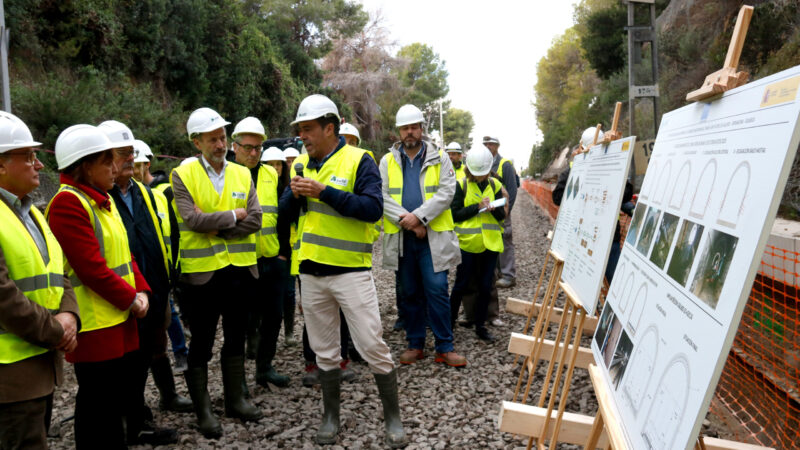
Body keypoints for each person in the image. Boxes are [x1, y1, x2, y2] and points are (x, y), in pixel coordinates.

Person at [279, 94, 406, 448]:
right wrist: (294, 193)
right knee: (324, 351)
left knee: (371, 344)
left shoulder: (359, 160)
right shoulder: (301, 165)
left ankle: (393, 418)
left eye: (308, 129)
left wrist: (324, 191)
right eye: (299, 130)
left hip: (350, 272)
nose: (302, 137)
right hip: (311, 274)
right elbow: (285, 216)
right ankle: (330, 416)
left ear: (329, 128)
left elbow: (372, 209)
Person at [46, 124, 153, 448]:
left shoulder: (100, 200)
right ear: (84, 166)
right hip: (94, 324)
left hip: (115, 318)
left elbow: (125, 254)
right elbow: (91, 269)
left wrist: (143, 290)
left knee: (112, 402)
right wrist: (132, 300)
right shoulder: (69, 203)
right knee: (98, 406)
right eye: (106, 161)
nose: (115, 167)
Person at [170, 107, 263, 438]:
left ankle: (235, 400)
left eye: (222, 137)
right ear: (197, 143)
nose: (220, 144)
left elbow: (256, 219)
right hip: (203, 274)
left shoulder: (241, 173)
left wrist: (220, 223)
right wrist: (233, 216)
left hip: (239, 271)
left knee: (236, 336)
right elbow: (191, 220)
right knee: (203, 342)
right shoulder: (182, 175)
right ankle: (204, 410)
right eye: (213, 139)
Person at [100, 121, 191, 425]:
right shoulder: (100, 197)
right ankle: (130, 418)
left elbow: (167, 235)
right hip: (119, 296)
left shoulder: (146, 194)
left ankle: (155, 404)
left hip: (154, 288)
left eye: (131, 152)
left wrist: (168, 279)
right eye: (121, 153)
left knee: (152, 349)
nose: (129, 158)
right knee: (126, 360)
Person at [0, 112, 80, 450]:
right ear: (1, 165)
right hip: (10, 377)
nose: (38, 165)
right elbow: (3, 297)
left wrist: (70, 316)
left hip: (39, 365)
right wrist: (57, 331)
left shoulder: (31, 211)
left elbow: (59, 270)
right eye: (28, 157)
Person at [380, 104, 466, 368]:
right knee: (409, 293)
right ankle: (415, 344)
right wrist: (409, 222)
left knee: (437, 290)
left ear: (421, 129)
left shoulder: (440, 158)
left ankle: (445, 347)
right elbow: (381, 196)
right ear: (399, 131)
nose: (410, 132)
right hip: (403, 238)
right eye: (405, 128)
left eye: (414, 127)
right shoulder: (387, 161)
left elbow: (446, 192)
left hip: (432, 238)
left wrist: (419, 218)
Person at [230, 118, 291, 389]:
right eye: (247, 147)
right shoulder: (227, 174)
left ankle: (264, 368)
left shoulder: (270, 173)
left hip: (271, 259)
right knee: (241, 322)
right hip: (241, 262)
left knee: (274, 317)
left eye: (258, 148)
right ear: (235, 147)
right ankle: (239, 379)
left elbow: (281, 214)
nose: (254, 153)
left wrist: (283, 253)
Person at [132, 140, 189, 373]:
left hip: (164, 271)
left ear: (146, 164)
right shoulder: (132, 197)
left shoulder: (162, 193)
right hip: (147, 274)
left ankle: (181, 353)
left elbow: (174, 233)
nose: (133, 169)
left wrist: (174, 268)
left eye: (137, 164)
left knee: (169, 316)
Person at [553, 128, 632, 283]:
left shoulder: (611, 165)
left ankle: (601, 307)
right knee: (601, 283)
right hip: (590, 236)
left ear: (581, 146)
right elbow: (558, 197)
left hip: (603, 237)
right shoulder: (576, 168)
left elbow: (627, 192)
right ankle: (598, 307)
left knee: (608, 283)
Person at [449, 146, 507, 343]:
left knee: (485, 286)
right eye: (477, 174)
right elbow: (454, 215)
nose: (480, 177)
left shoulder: (496, 185)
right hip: (468, 245)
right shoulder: (461, 185)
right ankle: (449, 323)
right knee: (461, 284)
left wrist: (492, 209)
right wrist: (477, 207)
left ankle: (481, 326)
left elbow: (502, 215)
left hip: (490, 245)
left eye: (483, 174)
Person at [483, 136, 517, 292]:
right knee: (492, 238)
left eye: (492, 144)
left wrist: (506, 211)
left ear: (497, 146)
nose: (489, 146)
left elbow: (512, 189)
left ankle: (509, 276)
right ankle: (496, 273)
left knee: (505, 240)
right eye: (486, 144)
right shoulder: (483, 162)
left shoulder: (505, 165)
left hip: (502, 209)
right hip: (488, 210)